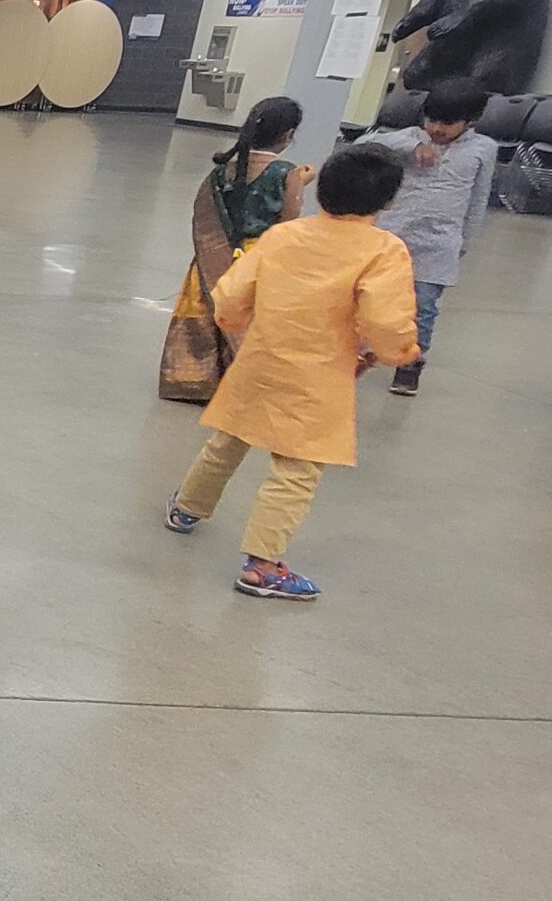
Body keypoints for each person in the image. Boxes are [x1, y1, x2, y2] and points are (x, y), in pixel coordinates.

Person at [163, 146, 421, 601]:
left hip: (260, 360)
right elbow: (384, 320)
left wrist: (236, 325)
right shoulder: (384, 251)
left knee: (228, 440)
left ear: (322, 191)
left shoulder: (283, 236)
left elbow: (231, 297)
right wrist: (398, 352)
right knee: (296, 470)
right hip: (317, 377)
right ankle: (261, 567)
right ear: (387, 201)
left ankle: (186, 508)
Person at [159, 96, 314, 401]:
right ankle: (241, 381)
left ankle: (192, 378)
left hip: (214, 253)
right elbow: (288, 222)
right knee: (246, 317)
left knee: (204, 310)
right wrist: (301, 182)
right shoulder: (287, 173)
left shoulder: (222, 169)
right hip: (258, 256)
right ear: (288, 135)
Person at [359, 75, 496, 396]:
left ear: (470, 121)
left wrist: (464, 240)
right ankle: (362, 349)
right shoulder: (411, 137)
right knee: (373, 297)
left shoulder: (484, 149)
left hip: (440, 244)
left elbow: (478, 198)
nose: (436, 129)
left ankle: (410, 363)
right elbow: (363, 145)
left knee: (424, 306)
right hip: (392, 237)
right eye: (431, 120)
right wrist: (412, 146)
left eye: (447, 124)